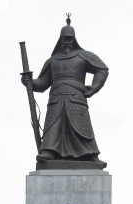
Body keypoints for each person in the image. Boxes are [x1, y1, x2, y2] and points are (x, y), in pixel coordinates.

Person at [21, 19, 108, 165]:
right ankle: (49, 151)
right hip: (56, 98)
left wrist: (94, 88)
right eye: (65, 39)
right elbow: (42, 83)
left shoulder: (83, 55)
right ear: (60, 40)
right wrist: (30, 82)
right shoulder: (52, 60)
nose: (67, 42)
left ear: (74, 40)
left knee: (81, 127)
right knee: (53, 125)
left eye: (70, 39)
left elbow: (102, 69)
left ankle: (90, 154)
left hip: (76, 98)